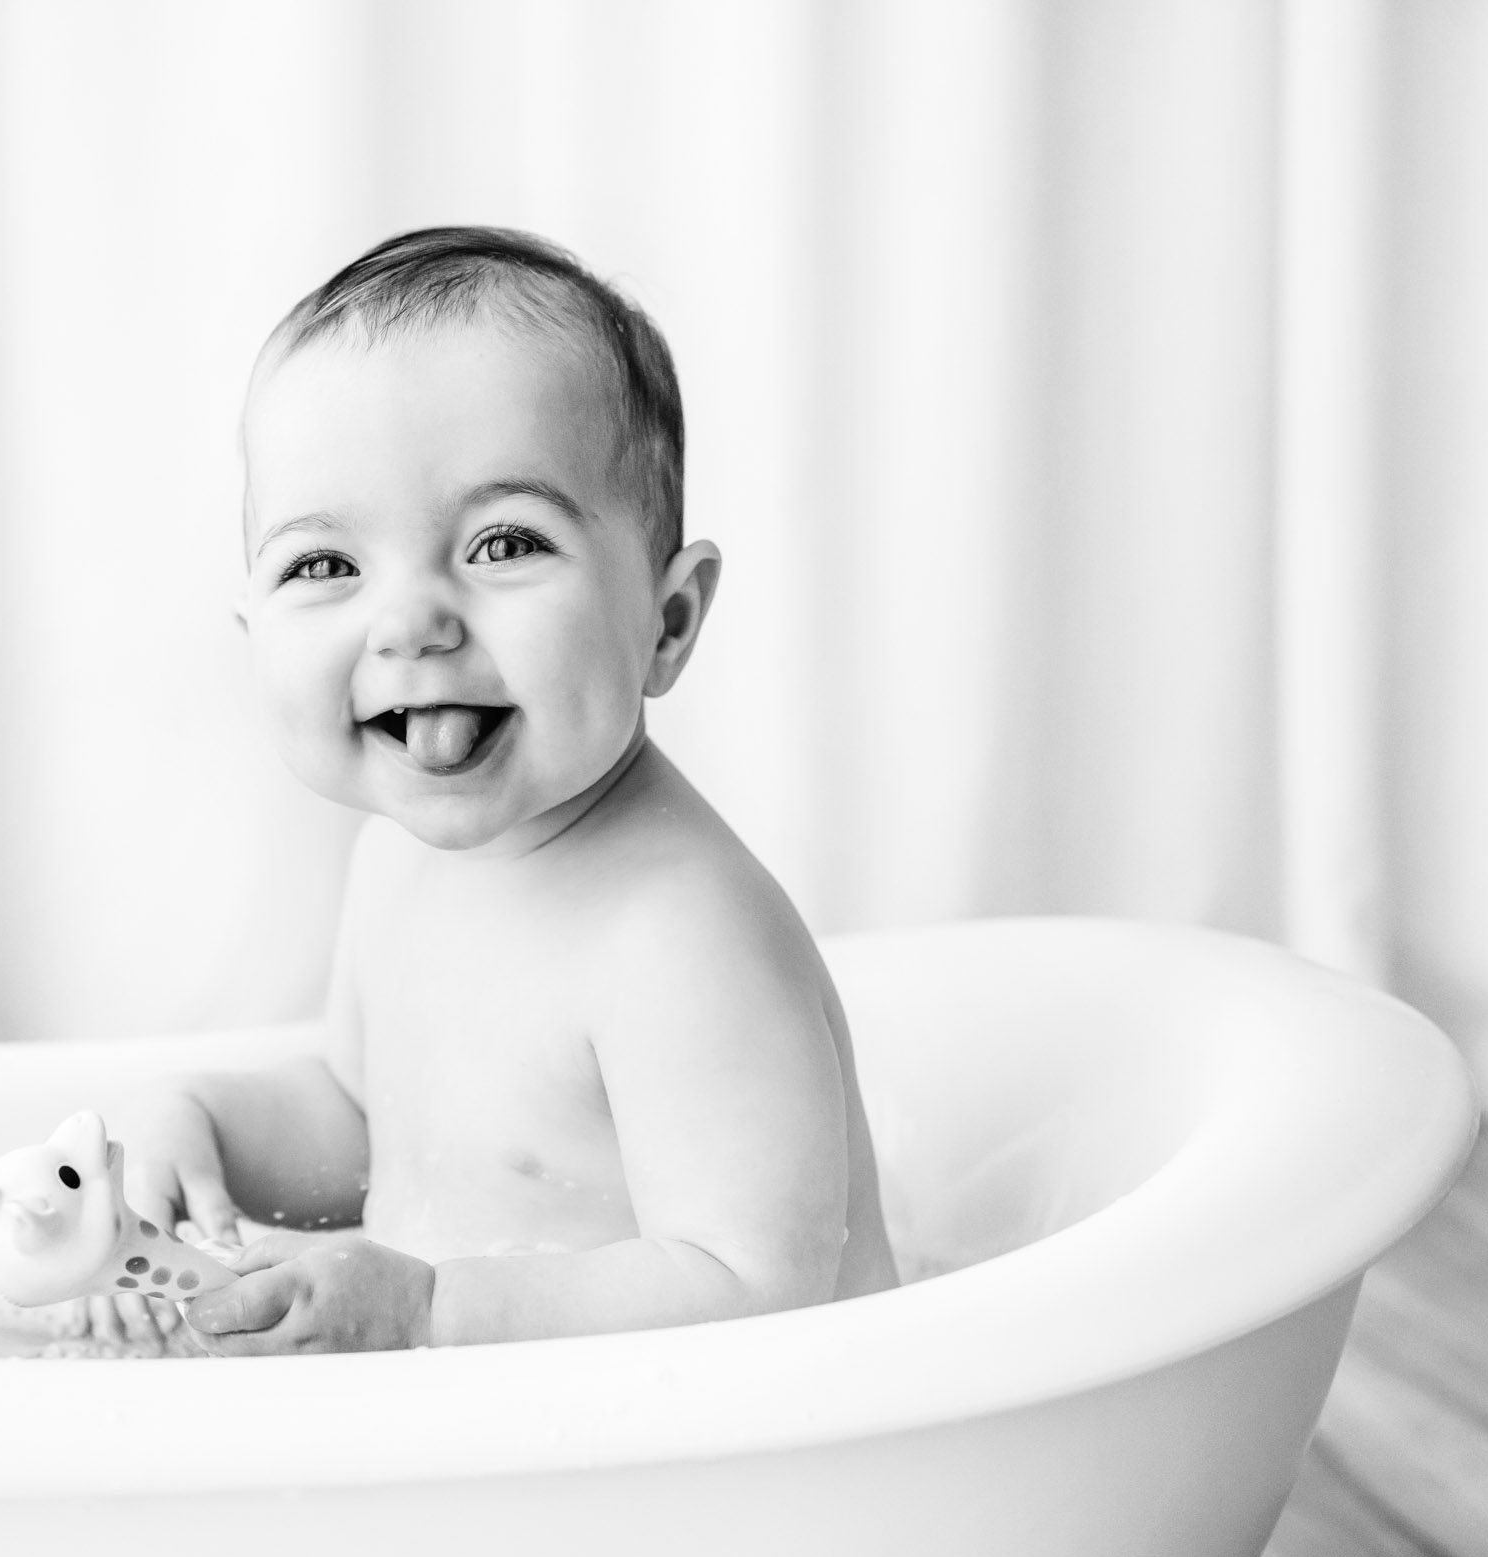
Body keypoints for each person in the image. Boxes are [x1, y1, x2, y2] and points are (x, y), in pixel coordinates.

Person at [98, 226, 896, 1355]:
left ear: (667, 621)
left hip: (737, 1450)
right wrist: (201, 1124)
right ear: (252, 633)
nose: (410, 621)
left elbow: (759, 1287)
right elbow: (370, 1126)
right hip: (507, 1431)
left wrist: (428, 1311)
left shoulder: (677, 932)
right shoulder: (397, 859)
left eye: (504, 542)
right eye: (325, 565)